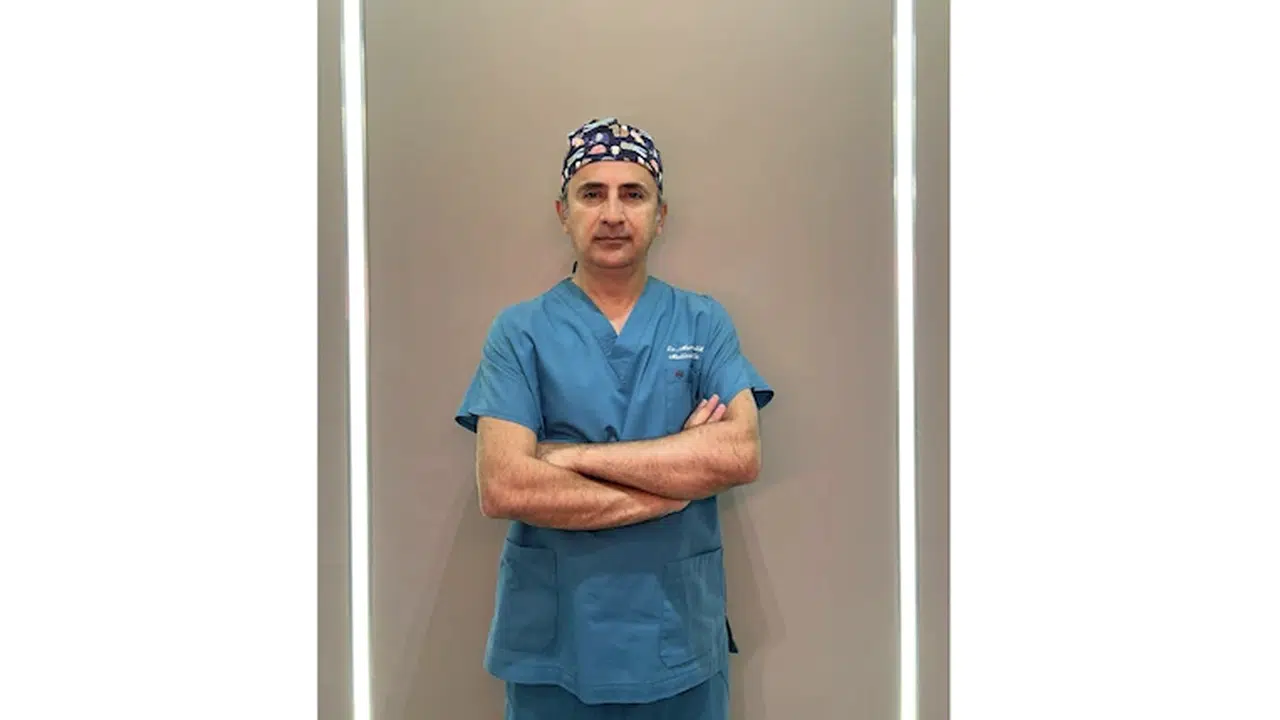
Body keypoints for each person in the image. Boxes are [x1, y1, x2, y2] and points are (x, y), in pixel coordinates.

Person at [455, 117, 774, 719]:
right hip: (556, 645)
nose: (612, 214)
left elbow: (739, 454)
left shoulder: (702, 322)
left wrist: (566, 457)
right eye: (591, 193)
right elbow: (505, 486)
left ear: (661, 214)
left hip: (679, 637)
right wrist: (674, 487)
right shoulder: (519, 331)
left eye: (633, 194)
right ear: (563, 212)